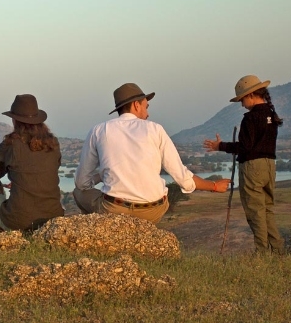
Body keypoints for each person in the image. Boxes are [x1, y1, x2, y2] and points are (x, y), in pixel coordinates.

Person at [74, 83, 230, 223]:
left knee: (79, 192)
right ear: (136, 105)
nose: (147, 113)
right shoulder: (155, 129)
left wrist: (102, 176)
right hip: (152, 211)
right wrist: (214, 186)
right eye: (146, 107)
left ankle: (98, 231)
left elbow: (81, 183)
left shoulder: (99, 130)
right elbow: (183, 177)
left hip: (114, 209)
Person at [203, 75, 285, 253]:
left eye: (242, 100)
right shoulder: (271, 115)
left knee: (255, 211)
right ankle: (278, 250)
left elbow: (245, 147)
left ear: (251, 95)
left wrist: (220, 146)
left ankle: (262, 252)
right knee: (267, 209)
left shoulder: (250, 118)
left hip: (252, 168)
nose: (242, 104)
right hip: (269, 166)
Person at [0, 94, 64, 231]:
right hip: (53, 219)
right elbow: (46, 172)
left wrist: (2, 182)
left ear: (15, 120)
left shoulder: (10, 144)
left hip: (19, 222)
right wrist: (19, 181)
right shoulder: (53, 143)